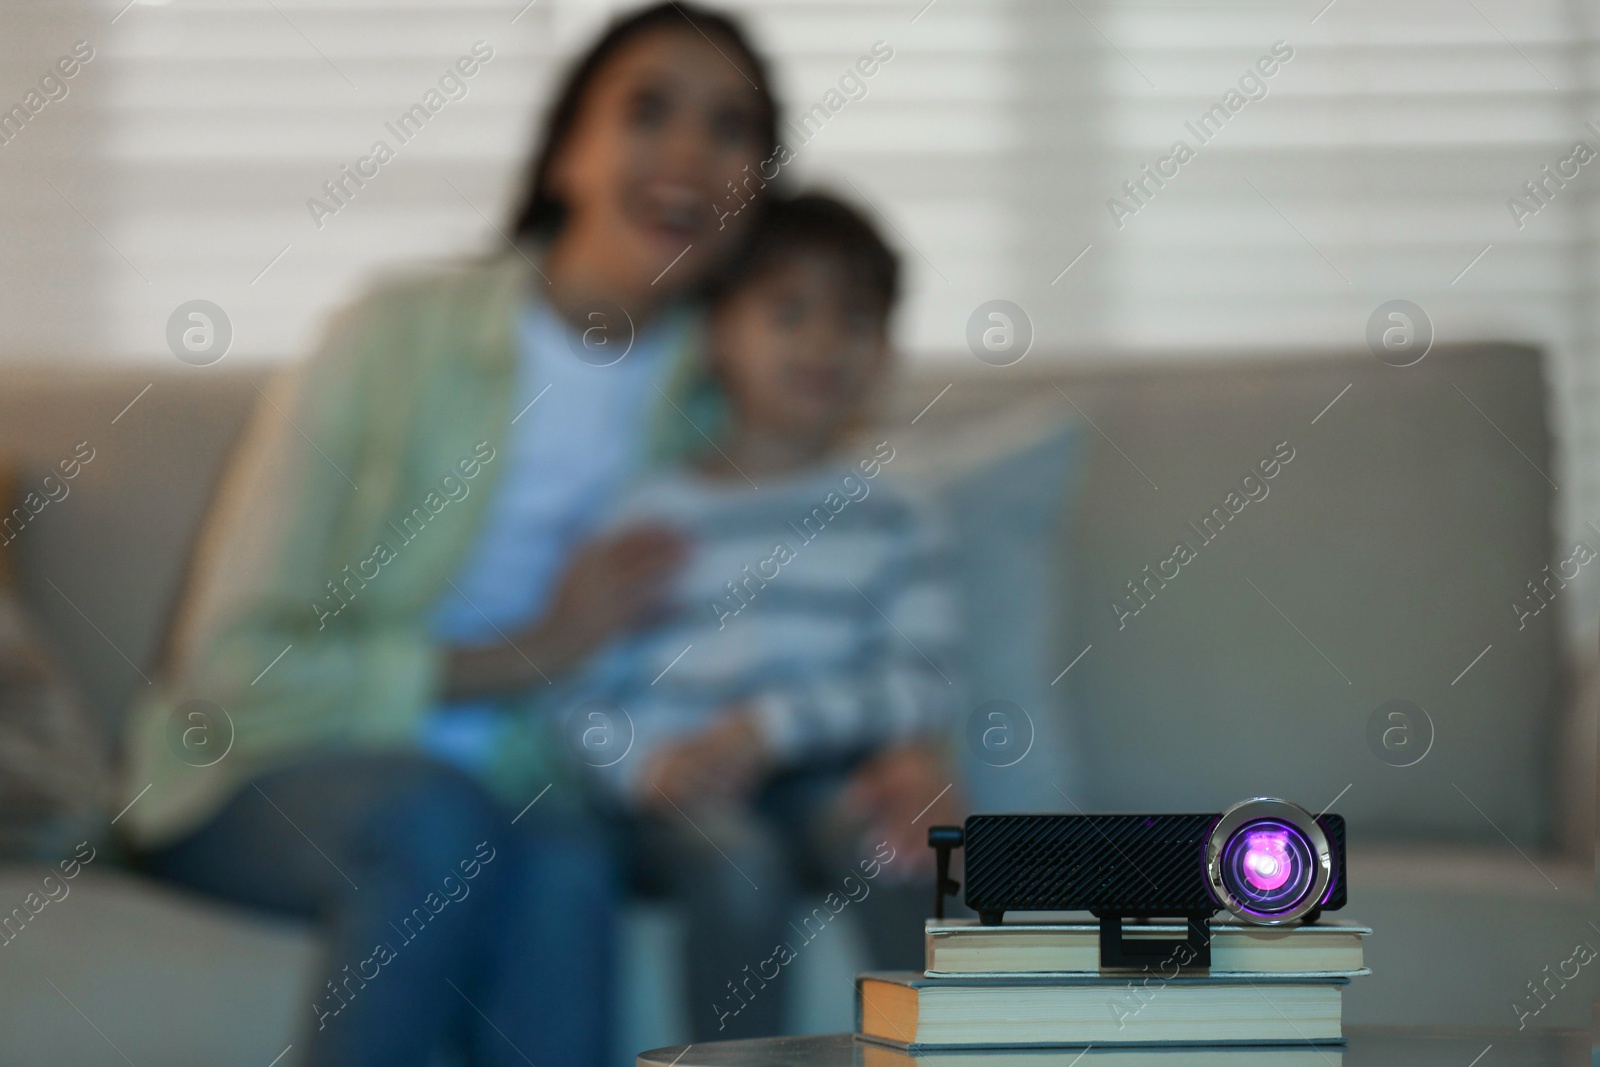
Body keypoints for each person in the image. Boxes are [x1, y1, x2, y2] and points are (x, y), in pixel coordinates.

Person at [118, 6, 780, 1067]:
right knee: (438, 816)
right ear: (567, 152)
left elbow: (832, 595)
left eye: (732, 126)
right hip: (259, 771)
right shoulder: (390, 336)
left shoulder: (730, 403)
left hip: (532, 788)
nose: (691, 153)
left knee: (564, 861)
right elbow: (229, 667)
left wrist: (895, 745)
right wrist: (533, 649)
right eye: (647, 109)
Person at [580, 194, 962, 1040]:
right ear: (719, 333)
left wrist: (766, 730)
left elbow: (918, 681)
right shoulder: (647, 515)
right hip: (680, 799)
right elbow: (576, 696)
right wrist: (646, 769)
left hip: (828, 778)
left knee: (898, 849)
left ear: (886, 346)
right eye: (789, 312)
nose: (825, 343)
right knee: (739, 866)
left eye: (856, 318)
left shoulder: (897, 513)